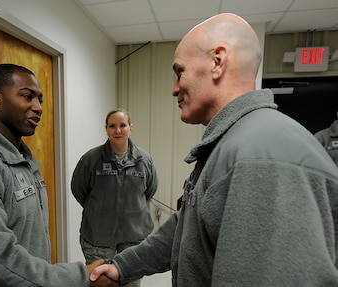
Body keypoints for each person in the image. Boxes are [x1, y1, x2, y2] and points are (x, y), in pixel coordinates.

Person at [90, 13, 338, 286]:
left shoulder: (259, 158)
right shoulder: (233, 143)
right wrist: (123, 267)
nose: (174, 89)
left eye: (179, 71)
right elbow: (188, 227)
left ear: (217, 62)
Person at [0, 64, 117, 287]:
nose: (38, 107)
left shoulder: (19, 159)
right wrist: (80, 278)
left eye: (40, 100)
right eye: (27, 97)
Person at [71, 108, 158, 287]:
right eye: (112, 126)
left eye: (122, 125)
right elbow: (79, 190)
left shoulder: (144, 160)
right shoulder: (91, 159)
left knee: (132, 282)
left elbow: (149, 191)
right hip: (97, 238)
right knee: (102, 283)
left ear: (130, 128)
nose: (118, 131)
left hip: (133, 237)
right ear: (106, 129)